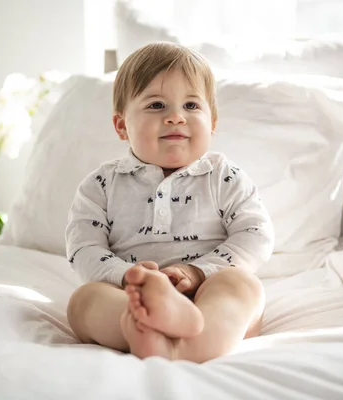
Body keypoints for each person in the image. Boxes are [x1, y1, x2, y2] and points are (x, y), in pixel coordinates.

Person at [65, 42, 274, 362]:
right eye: (157, 105)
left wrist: (197, 271)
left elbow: (256, 235)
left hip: (209, 290)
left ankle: (184, 342)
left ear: (212, 122)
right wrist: (132, 281)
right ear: (122, 125)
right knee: (83, 301)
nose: (176, 117)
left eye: (191, 106)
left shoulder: (223, 177)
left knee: (242, 285)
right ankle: (143, 322)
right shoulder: (101, 185)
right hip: (131, 296)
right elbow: (85, 248)